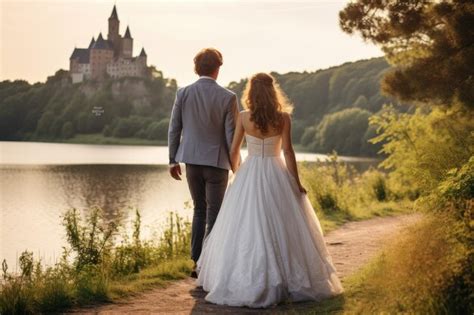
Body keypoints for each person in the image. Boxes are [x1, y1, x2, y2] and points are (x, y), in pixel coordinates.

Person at [196, 73, 343, 307]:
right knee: (283, 225)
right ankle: (283, 279)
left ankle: (247, 277)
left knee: (247, 226)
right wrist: (296, 181)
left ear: (251, 92)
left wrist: (239, 174)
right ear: (273, 91)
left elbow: (233, 151)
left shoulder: (244, 117)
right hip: (277, 171)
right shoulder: (283, 118)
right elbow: (288, 152)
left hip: (250, 171)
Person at [168, 48, 238, 278]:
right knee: (214, 214)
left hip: (191, 162)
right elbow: (231, 136)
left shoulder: (183, 93)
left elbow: (174, 128)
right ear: (218, 68)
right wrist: (236, 164)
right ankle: (209, 263)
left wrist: (172, 160)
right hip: (217, 164)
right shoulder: (228, 97)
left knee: (199, 210)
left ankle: (197, 261)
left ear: (197, 68)